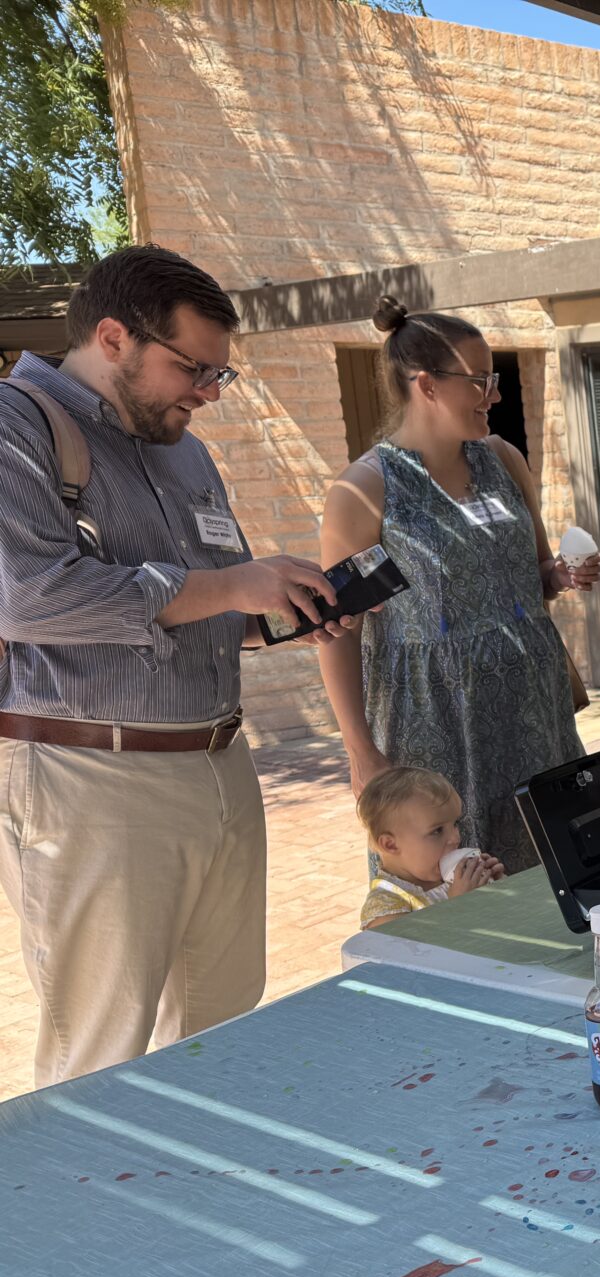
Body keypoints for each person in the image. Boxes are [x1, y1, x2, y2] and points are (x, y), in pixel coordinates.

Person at [0, 244, 352, 1087]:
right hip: (93, 776)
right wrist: (232, 583)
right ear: (113, 337)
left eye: (217, 376)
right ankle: (85, 1214)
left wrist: (273, 618)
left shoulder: (184, 450)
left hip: (223, 765)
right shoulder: (17, 423)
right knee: (101, 1047)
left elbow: (201, 608)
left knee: (226, 1029)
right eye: (193, 368)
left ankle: (203, 1205)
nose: (206, 392)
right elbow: (28, 598)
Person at [319, 297, 595, 875]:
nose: (494, 395)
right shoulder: (366, 490)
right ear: (427, 385)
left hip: (532, 702)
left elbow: (536, 571)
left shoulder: (503, 458)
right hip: (436, 713)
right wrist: (361, 751)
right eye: (481, 381)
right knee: (449, 876)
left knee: (558, 866)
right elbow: (338, 630)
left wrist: (563, 576)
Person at [358, 767, 505, 929]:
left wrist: (500, 886)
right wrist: (457, 907)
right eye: (437, 831)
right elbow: (415, 950)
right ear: (391, 845)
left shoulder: (450, 878)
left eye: (455, 824)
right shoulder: (386, 905)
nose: (456, 838)